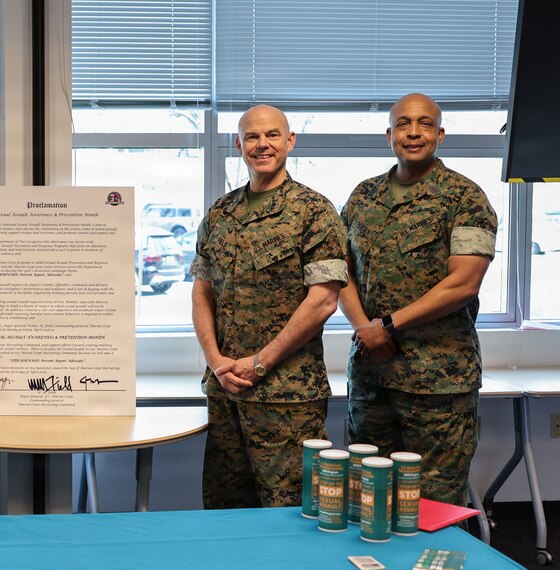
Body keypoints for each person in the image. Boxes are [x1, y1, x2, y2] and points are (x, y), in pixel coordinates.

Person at [339, 93, 497, 505]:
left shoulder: (464, 198)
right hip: (372, 375)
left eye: (424, 124)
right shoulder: (362, 197)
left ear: (440, 135)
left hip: (437, 381)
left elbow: (463, 283)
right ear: (389, 135)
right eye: (404, 124)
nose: (413, 132)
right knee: (365, 500)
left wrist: (388, 325)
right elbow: (340, 273)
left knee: (430, 505)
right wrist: (363, 329)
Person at [190, 105, 347, 509]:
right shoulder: (220, 214)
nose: (263, 144)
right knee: (225, 510)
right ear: (238, 145)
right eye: (253, 137)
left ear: (290, 141)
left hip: (286, 398)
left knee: (291, 512)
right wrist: (216, 360)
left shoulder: (314, 212)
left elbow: (323, 300)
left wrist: (259, 363)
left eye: (273, 135)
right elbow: (202, 291)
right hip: (226, 392)